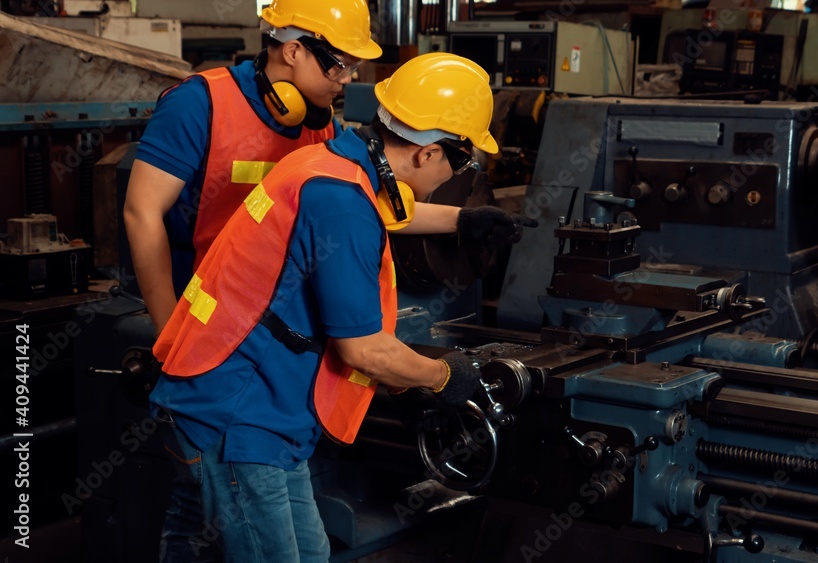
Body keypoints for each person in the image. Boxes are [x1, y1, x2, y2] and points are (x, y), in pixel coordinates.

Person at [148, 52, 534, 562]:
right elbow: (363, 350)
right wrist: (443, 376)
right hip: (236, 418)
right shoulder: (342, 201)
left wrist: (461, 220)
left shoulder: (330, 161)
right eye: (461, 162)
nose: (456, 174)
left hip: (253, 407)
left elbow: (377, 207)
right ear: (427, 154)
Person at [123, 0, 381, 336]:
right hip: (207, 315)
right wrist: (169, 332)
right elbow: (141, 212)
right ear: (292, 51)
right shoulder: (200, 102)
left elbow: (371, 198)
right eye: (340, 66)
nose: (347, 79)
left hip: (284, 320)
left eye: (353, 67)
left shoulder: (322, 124)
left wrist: (460, 220)